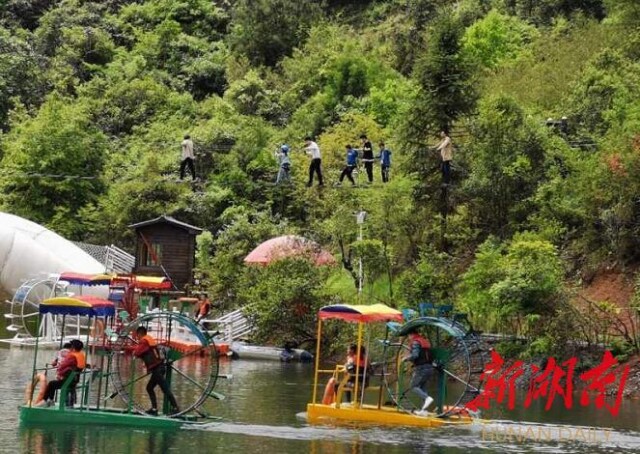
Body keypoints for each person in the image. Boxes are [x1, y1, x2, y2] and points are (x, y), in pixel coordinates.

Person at [134, 326, 179, 416]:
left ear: (139, 334)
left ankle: (175, 408)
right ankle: (154, 409)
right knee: (149, 388)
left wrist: (134, 350)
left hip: (157, 368)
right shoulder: (149, 339)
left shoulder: (144, 341)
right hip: (158, 368)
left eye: (137, 335)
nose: (136, 337)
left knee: (165, 388)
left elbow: (137, 352)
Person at [38, 339, 86, 407]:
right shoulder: (80, 355)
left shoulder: (72, 356)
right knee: (53, 384)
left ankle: (46, 401)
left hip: (68, 380)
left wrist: (59, 373)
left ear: (73, 347)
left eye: (71, 346)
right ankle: (50, 401)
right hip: (74, 380)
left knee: (51, 384)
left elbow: (63, 366)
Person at [403, 328, 434, 414]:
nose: (408, 338)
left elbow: (415, 355)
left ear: (411, 334)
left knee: (413, 386)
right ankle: (424, 410)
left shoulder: (416, 342)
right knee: (423, 388)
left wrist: (406, 358)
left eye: (408, 336)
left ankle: (427, 398)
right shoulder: (424, 341)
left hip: (421, 368)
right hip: (430, 368)